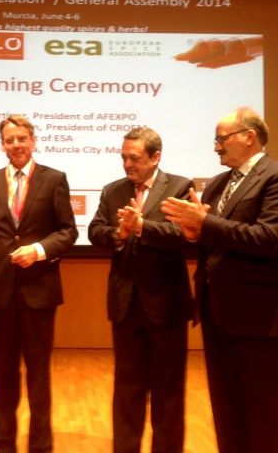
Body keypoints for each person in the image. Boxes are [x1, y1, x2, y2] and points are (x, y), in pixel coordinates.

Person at [161, 107, 278, 453]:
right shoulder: (217, 184)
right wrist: (193, 233)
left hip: (259, 316)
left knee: (265, 411)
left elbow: (269, 238)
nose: (216, 147)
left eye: (221, 139)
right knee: (226, 409)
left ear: (249, 137)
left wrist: (205, 223)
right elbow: (214, 238)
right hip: (216, 312)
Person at [0, 114, 78, 453]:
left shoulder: (54, 179)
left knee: (38, 372)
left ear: (33, 141)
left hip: (40, 289)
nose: (16, 145)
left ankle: (40, 446)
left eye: (22, 138)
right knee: (4, 371)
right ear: (2, 144)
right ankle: (4, 443)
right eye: (9, 140)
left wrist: (38, 250)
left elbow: (68, 232)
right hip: (0, 290)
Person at [88, 127, 194, 453]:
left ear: (155, 157)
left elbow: (184, 235)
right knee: (127, 390)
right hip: (125, 305)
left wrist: (143, 227)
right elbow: (95, 231)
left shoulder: (179, 187)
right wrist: (119, 234)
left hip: (167, 306)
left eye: (134, 158)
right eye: (123, 158)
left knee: (169, 393)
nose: (127, 164)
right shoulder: (113, 190)